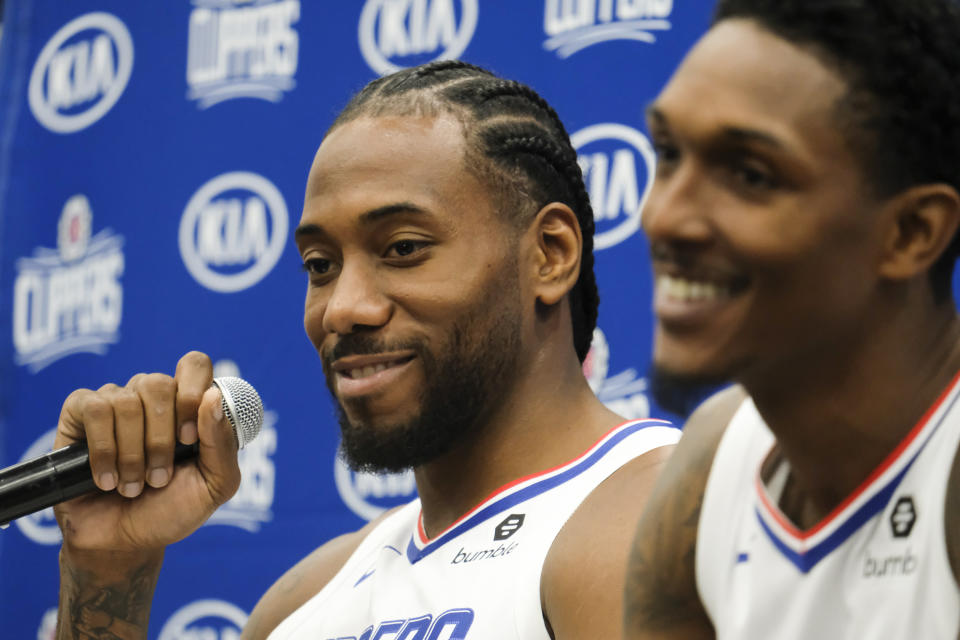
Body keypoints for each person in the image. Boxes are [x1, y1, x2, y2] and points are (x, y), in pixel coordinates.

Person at [52, 61, 679, 640]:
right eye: (320, 264)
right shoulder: (302, 601)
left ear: (550, 254)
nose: (342, 308)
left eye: (403, 248)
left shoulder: (648, 521)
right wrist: (108, 569)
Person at [623, 0, 960, 638]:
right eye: (668, 153)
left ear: (911, 232)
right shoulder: (712, 461)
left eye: (750, 175)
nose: (664, 216)